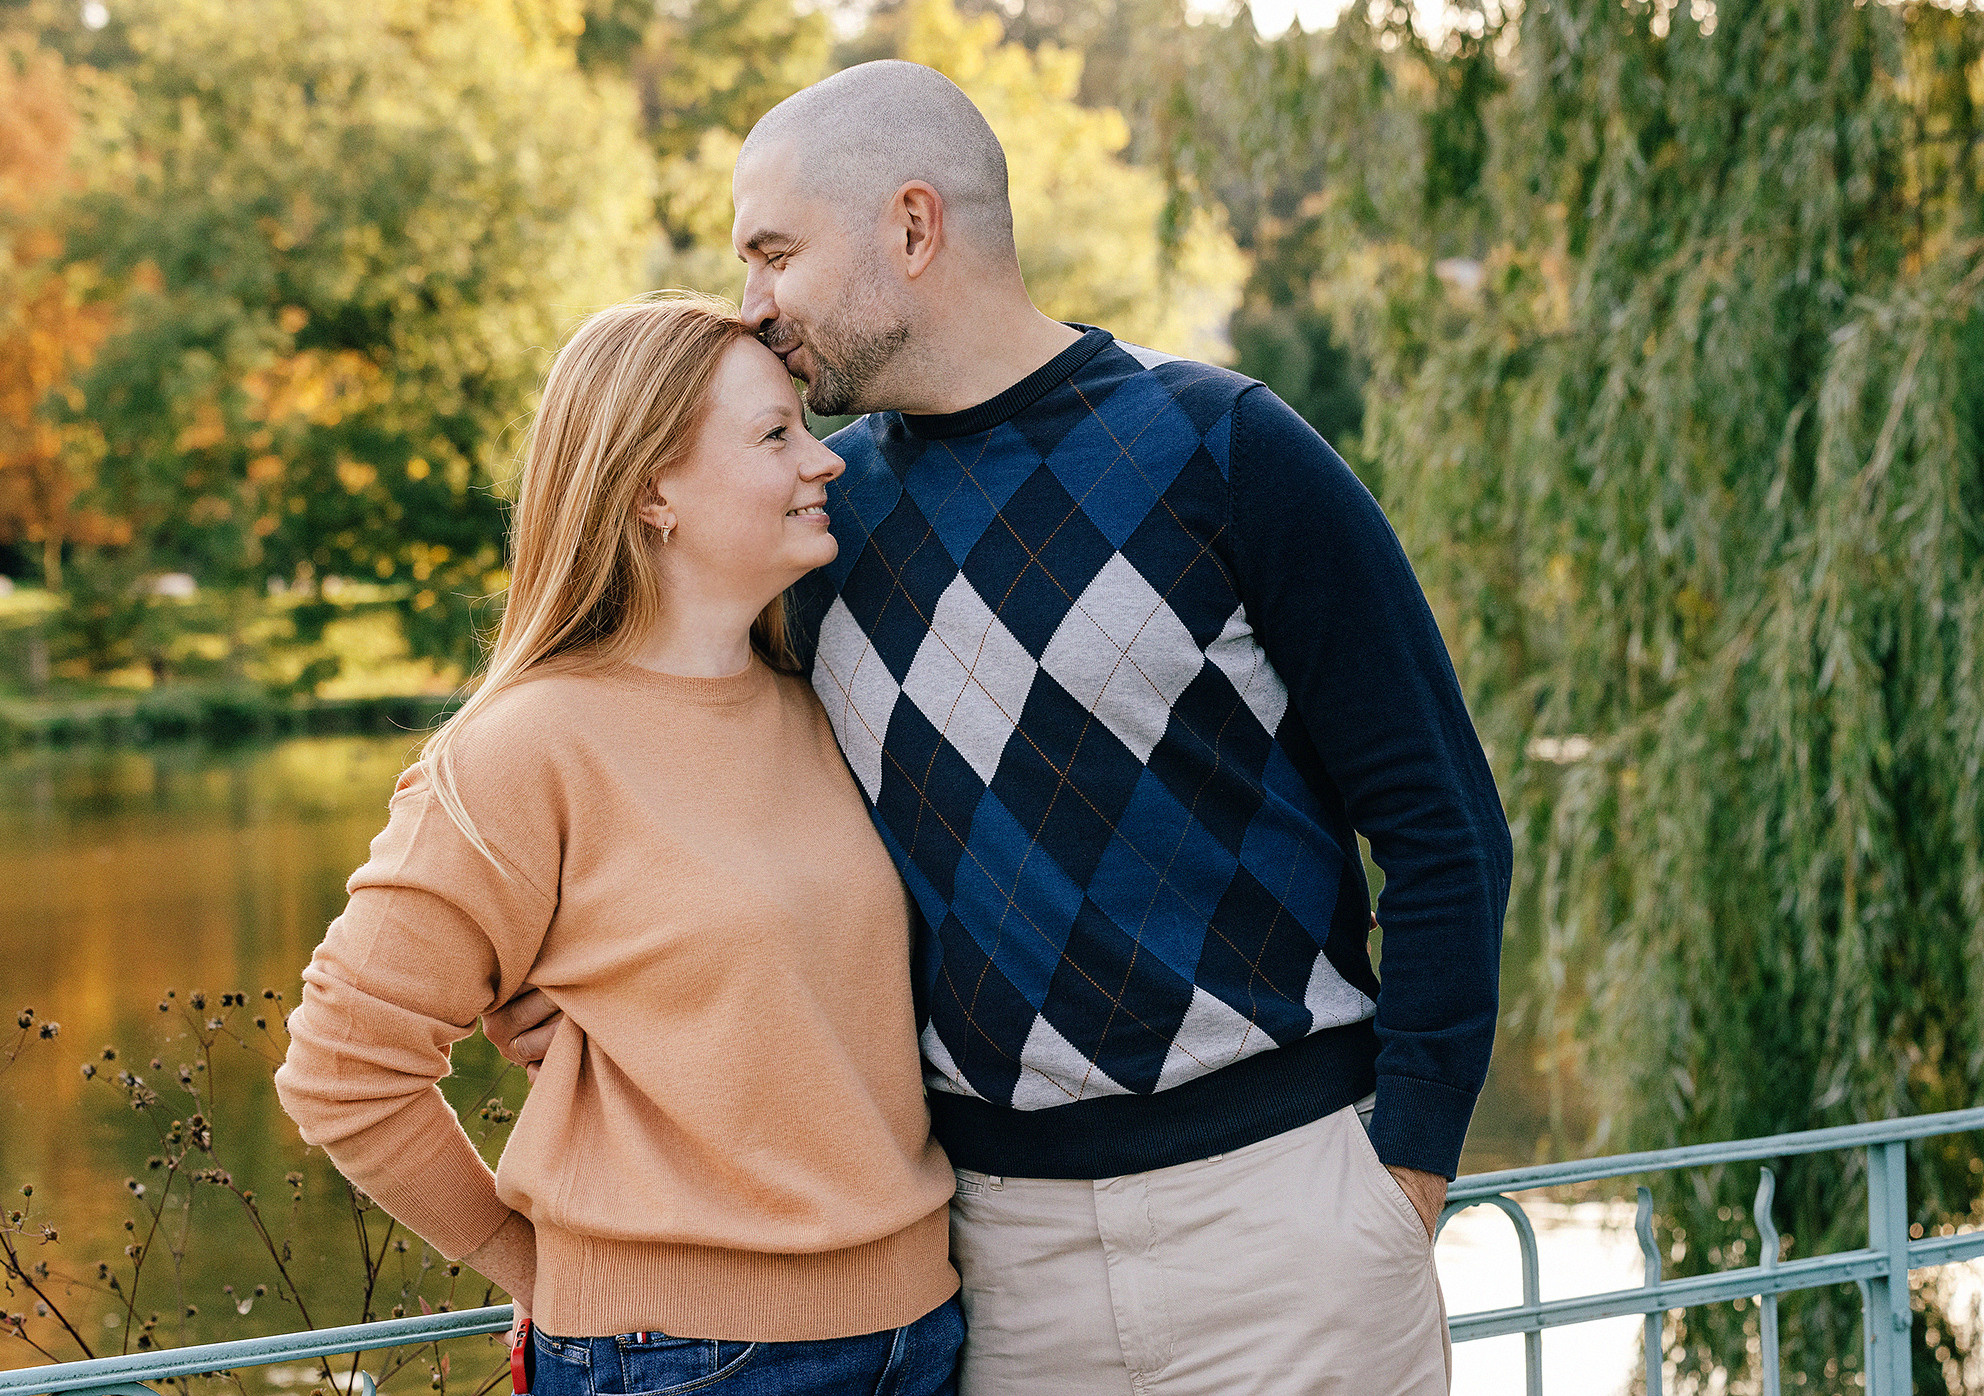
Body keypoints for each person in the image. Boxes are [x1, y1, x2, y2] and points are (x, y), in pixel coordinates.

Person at [491, 61, 1513, 1396]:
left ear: (914, 229)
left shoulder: (1225, 449)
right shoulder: (818, 522)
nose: (751, 307)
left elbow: (1444, 828)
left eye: (776, 254)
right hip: (993, 1258)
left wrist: (1405, 1180)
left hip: (1288, 1224)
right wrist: (574, 961)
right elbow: (675, 755)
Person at [274, 293, 964, 1396]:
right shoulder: (524, 747)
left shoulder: (820, 702)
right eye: (774, 434)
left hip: (917, 1332)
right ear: (652, 490)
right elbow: (344, 1069)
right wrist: (529, 1261)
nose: (825, 462)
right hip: (681, 1360)